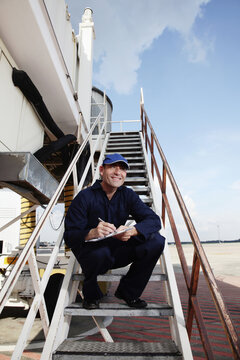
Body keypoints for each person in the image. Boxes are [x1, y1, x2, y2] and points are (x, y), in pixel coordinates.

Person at [64, 153, 165, 309]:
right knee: (99, 253)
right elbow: (69, 236)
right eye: (113, 167)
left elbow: (154, 220)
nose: (118, 172)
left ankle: (129, 292)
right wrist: (92, 233)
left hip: (116, 250)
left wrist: (133, 231)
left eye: (123, 169)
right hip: (93, 254)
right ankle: (91, 296)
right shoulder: (84, 196)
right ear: (102, 170)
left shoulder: (128, 194)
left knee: (157, 241)